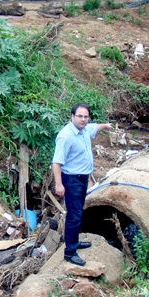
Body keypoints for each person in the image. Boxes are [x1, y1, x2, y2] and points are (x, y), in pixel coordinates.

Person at [52, 103, 114, 266]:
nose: (83, 119)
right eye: (79, 116)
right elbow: (56, 162)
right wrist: (59, 184)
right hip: (71, 180)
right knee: (74, 215)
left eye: (86, 116)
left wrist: (106, 126)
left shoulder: (85, 129)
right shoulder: (65, 136)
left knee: (78, 212)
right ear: (72, 116)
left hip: (82, 178)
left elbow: (95, 127)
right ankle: (70, 253)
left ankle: (74, 241)